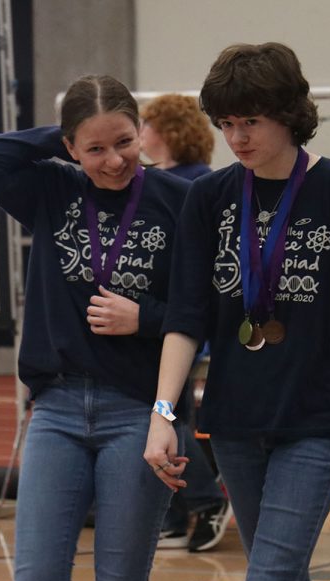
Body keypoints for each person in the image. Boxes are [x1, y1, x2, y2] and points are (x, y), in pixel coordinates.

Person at [142, 42, 330, 581]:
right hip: (236, 424)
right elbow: (185, 318)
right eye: (226, 124)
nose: (237, 137)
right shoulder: (209, 198)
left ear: (289, 113)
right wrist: (162, 414)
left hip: (314, 423)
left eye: (251, 121)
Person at [0, 74, 190, 581]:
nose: (113, 161)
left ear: (142, 132)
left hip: (140, 411)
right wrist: (66, 133)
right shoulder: (52, 187)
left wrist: (146, 317)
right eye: (95, 148)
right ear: (68, 146)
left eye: (125, 142)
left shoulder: (182, 199)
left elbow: (212, 311)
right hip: (57, 409)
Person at [140, 93, 233, 552]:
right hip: (154, 325)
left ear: (167, 130)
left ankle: (206, 498)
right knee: (169, 418)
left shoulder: (197, 185)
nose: (140, 133)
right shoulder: (154, 180)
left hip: (176, 322)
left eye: (145, 124)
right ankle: (175, 515)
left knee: (164, 417)